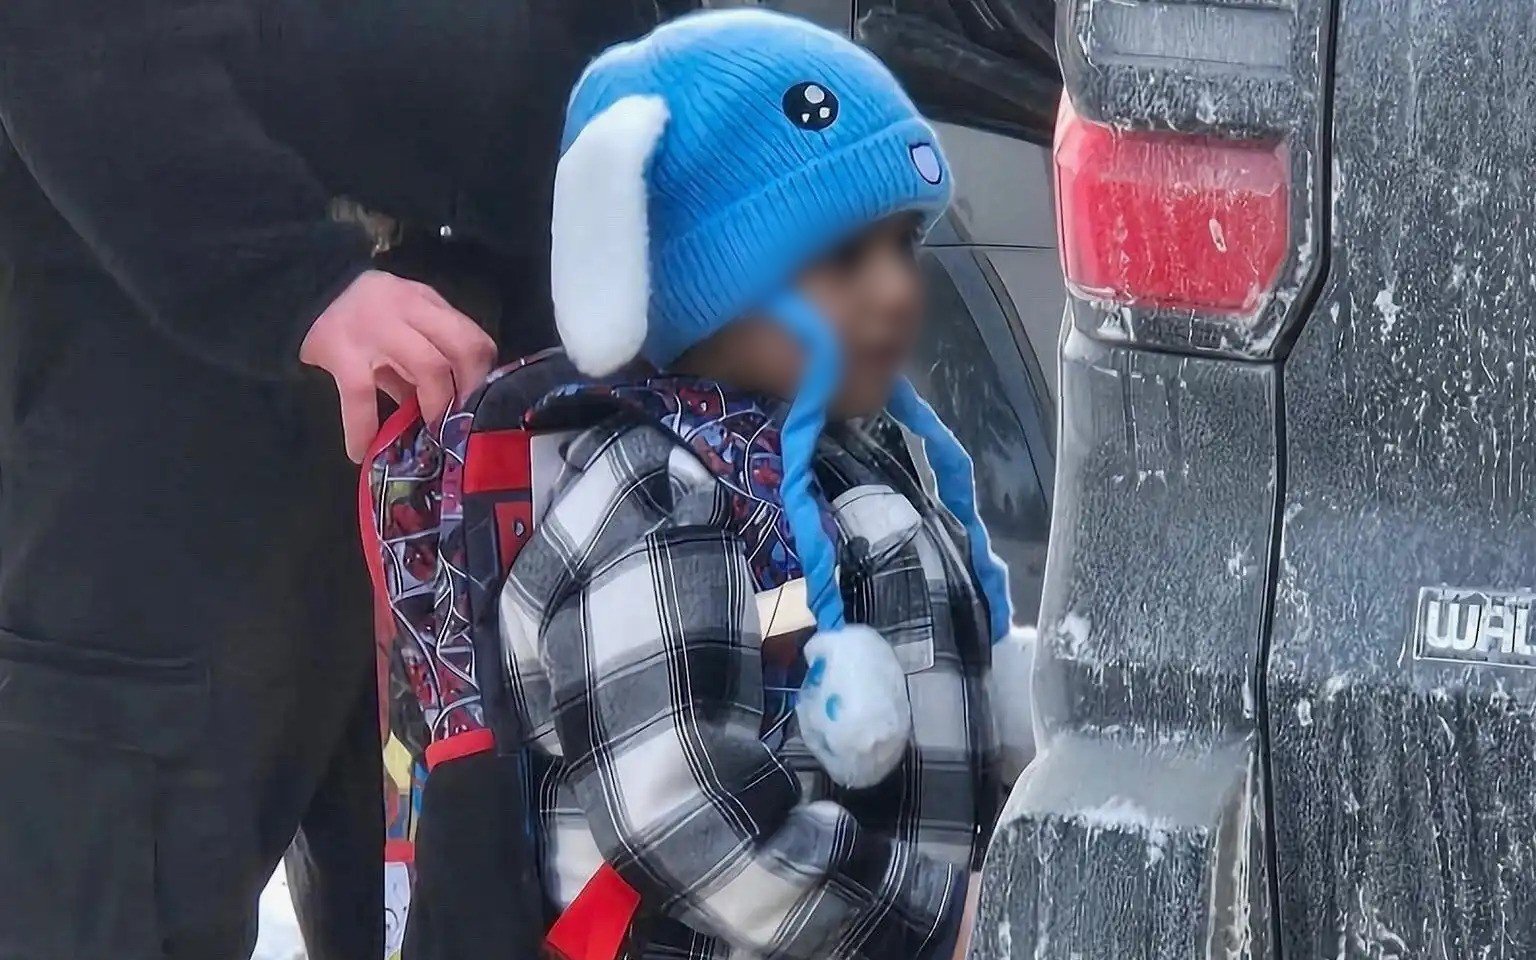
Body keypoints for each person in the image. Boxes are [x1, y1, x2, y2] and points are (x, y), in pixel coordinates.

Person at [0, 2, 659, 957]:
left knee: (465, 904)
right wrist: (285, 275)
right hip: (174, 392)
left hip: (502, 390)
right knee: (118, 900)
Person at [499, 11, 1010, 958]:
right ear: (709, 285)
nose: (897, 289)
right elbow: (682, 810)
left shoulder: (859, 460)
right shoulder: (657, 494)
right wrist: (945, 921)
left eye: (903, 243)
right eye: (843, 256)